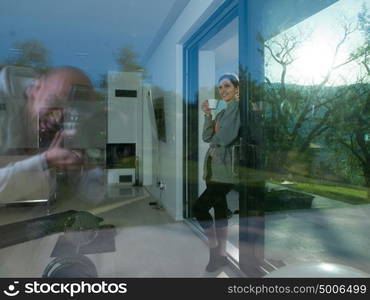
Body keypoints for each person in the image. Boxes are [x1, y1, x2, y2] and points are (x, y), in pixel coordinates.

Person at [0, 65, 99, 204]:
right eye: (55, 103)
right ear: (35, 89)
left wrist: (79, 169)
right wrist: (45, 162)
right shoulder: (3, 113)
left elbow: (93, 195)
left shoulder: (63, 133)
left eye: (69, 114)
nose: (57, 119)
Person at [193, 73, 241, 272]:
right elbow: (207, 136)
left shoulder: (236, 108)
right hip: (212, 169)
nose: (223, 91)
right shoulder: (221, 111)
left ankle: (214, 251)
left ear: (236, 89)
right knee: (220, 214)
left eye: (227, 86)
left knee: (199, 208)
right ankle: (221, 256)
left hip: (225, 171)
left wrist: (215, 140)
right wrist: (207, 114)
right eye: (220, 87)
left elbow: (225, 137)